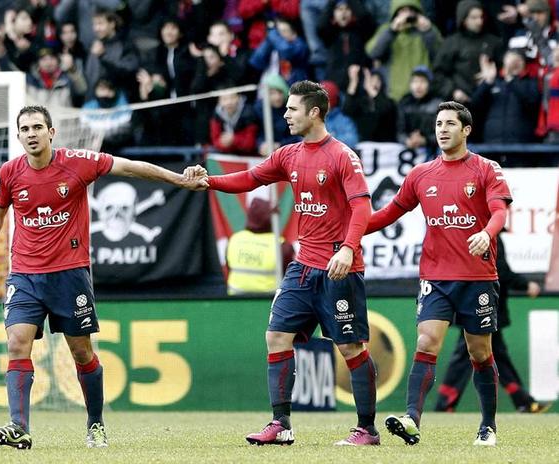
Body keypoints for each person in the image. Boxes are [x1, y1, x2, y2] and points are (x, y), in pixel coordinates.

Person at [0, 105, 208, 450]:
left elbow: (131, 167)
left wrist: (179, 180)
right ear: (18, 136)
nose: (32, 134)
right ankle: (19, 427)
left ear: (51, 132)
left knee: (81, 352)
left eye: (38, 127)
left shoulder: (78, 162)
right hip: (25, 275)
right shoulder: (9, 173)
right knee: (17, 343)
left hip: (69, 275)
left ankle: (95, 423)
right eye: (25, 129)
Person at [187, 80, 379, 446]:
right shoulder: (288, 155)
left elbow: (361, 207)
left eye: (292, 109)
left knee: (351, 349)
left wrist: (348, 248)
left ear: (314, 112)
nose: (286, 115)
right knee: (276, 336)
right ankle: (281, 424)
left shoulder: (342, 156)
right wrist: (208, 181)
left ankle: (367, 429)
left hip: (339, 268)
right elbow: (250, 178)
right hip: (303, 266)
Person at [365, 101, 512, 446]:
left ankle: (488, 426)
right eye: (438, 124)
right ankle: (411, 420)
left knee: (479, 352)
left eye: (450, 124)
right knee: (427, 341)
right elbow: (388, 213)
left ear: (466, 130)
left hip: (477, 278)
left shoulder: (486, 169)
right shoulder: (421, 174)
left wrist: (486, 233)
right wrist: (351, 232)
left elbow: (499, 211)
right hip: (436, 277)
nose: (442, 130)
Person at [435, 232, 552, 413]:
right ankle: (444, 404)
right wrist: (525, 285)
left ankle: (523, 401)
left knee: (492, 356)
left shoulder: (476, 232)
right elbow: (499, 271)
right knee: (471, 355)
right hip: (483, 307)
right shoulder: (487, 236)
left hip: (475, 305)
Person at [226, 197, 295, 295]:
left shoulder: (234, 240)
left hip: (235, 299)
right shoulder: (282, 247)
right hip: (269, 300)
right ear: (273, 219)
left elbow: (228, 268)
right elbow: (290, 278)